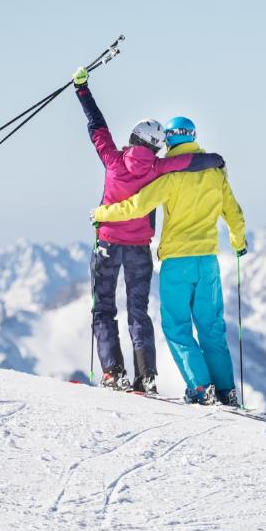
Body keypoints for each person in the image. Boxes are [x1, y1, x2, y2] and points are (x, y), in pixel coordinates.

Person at [73, 67, 225, 395]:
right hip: (140, 249)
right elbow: (190, 162)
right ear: (156, 146)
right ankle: (147, 377)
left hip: (108, 246)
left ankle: (113, 372)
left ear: (133, 137)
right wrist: (215, 158)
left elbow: (96, 126)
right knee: (138, 312)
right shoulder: (158, 168)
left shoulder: (112, 160)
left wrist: (82, 89)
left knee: (104, 309)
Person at [92, 116, 247, 407]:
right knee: (212, 327)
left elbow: (137, 206)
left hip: (177, 261)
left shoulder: (168, 176)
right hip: (208, 260)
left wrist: (101, 215)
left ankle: (201, 388)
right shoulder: (215, 172)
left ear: (170, 141)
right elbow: (234, 212)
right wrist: (238, 243)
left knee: (177, 328)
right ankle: (226, 389)